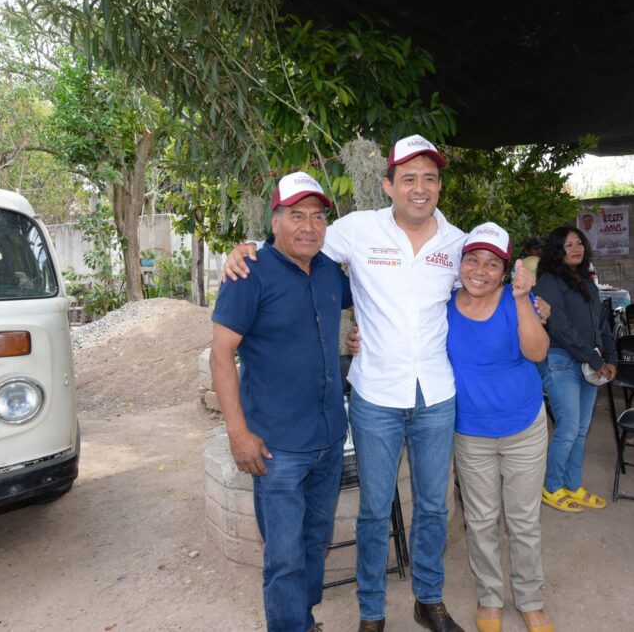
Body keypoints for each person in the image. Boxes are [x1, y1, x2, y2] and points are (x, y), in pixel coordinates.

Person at [223, 135, 468, 632]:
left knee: (432, 507)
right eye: (408, 178)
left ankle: (429, 599)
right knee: (374, 512)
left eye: (429, 178)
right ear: (387, 184)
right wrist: (242, 247)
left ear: (439, 185)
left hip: (436, 395)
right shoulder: (355, 230)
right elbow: (288, 245)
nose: (419, 188)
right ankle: (371, 613)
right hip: (375, 395)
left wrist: (528, 295)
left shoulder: (458, 243)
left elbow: (483, 292)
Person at [209, 172, 353, 632]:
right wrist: (238, 434)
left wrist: (355, 337)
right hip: (277, 447)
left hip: (330, 437)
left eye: (316, 216)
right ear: (275, 222)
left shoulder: (330, 270)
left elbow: (370, 304)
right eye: (296, 216)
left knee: (315, 541)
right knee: (285, 556)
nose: (308, 226)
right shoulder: (248, 273)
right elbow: (220, 354)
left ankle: (302, 619)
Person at [445, 223, 554, 632]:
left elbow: (538, 351)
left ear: (505, 270)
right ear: (460, 264)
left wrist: (525, 299)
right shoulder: (443, 306)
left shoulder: (518, 300)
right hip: (471, 432)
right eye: (472, 259)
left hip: (523, 426)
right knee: (481, 519)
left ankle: (530, 599)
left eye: (492, 263)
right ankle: (489, 596)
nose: (480, 270)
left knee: (524, 521)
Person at [535, 225, 617, 513]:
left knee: (581, 429)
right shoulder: (548, 281)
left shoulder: (586, 282)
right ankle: (552, 487)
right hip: (560, 361)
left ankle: (573, 485)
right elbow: (560, 327)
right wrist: (597, 360)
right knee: (568, 428)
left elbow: (602, 325)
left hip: (589, 363)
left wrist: (613, 358)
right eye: (568, 245)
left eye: (579, 243)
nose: (575, 249)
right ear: (557, 250)